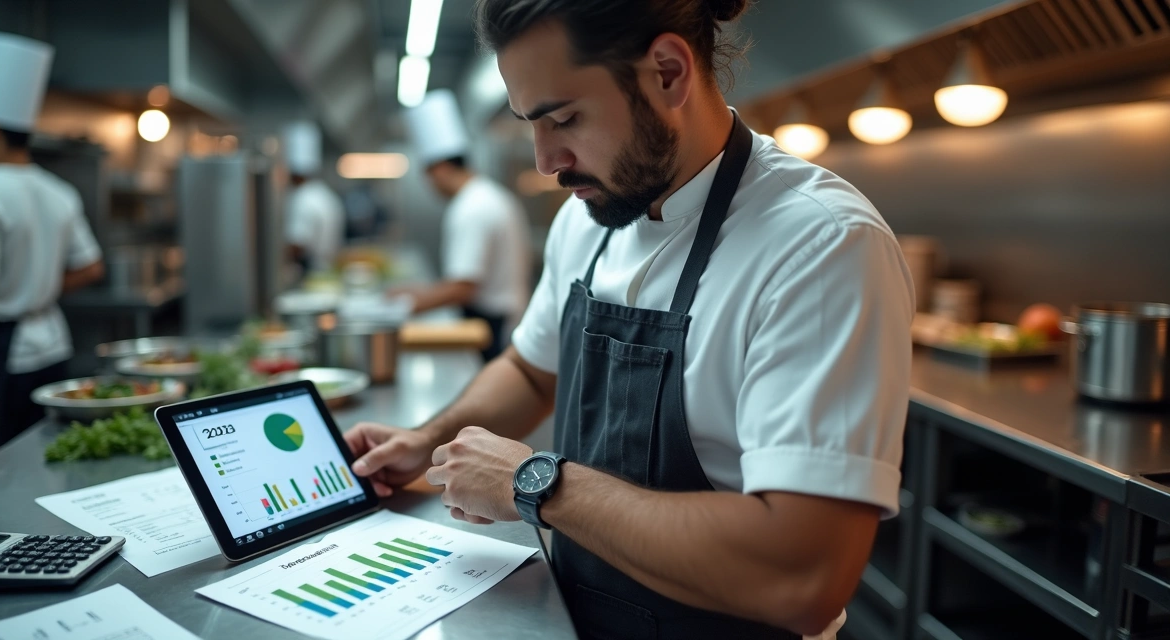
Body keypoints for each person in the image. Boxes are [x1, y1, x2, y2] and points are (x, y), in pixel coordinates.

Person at [344, 1, 914, 638]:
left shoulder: (818, 244)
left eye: (563, 118)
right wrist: (426, 441)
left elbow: (800, 576)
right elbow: (534, 371)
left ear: (668, 72)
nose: (545, 160)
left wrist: (535, 485)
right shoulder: (589, 219)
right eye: (530, 124)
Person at [0, 33, 104, 468]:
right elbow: (92, 267)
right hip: (52, 345)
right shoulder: (57, 191)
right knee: (45, 463)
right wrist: (37, 287)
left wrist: (7, 289)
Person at [398, 90, 531, 361]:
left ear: (442, 168)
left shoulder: (471, 207)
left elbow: (463, 287)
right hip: (504, 318)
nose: (429, 185)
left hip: (491, 327)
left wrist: (402, 307)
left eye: (428, 175)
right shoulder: (490, 194)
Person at [283, 121, 344, 277]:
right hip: (328, 270)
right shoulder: (324, 193)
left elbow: (297, 245)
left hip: (311, 274)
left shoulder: (302, 198)